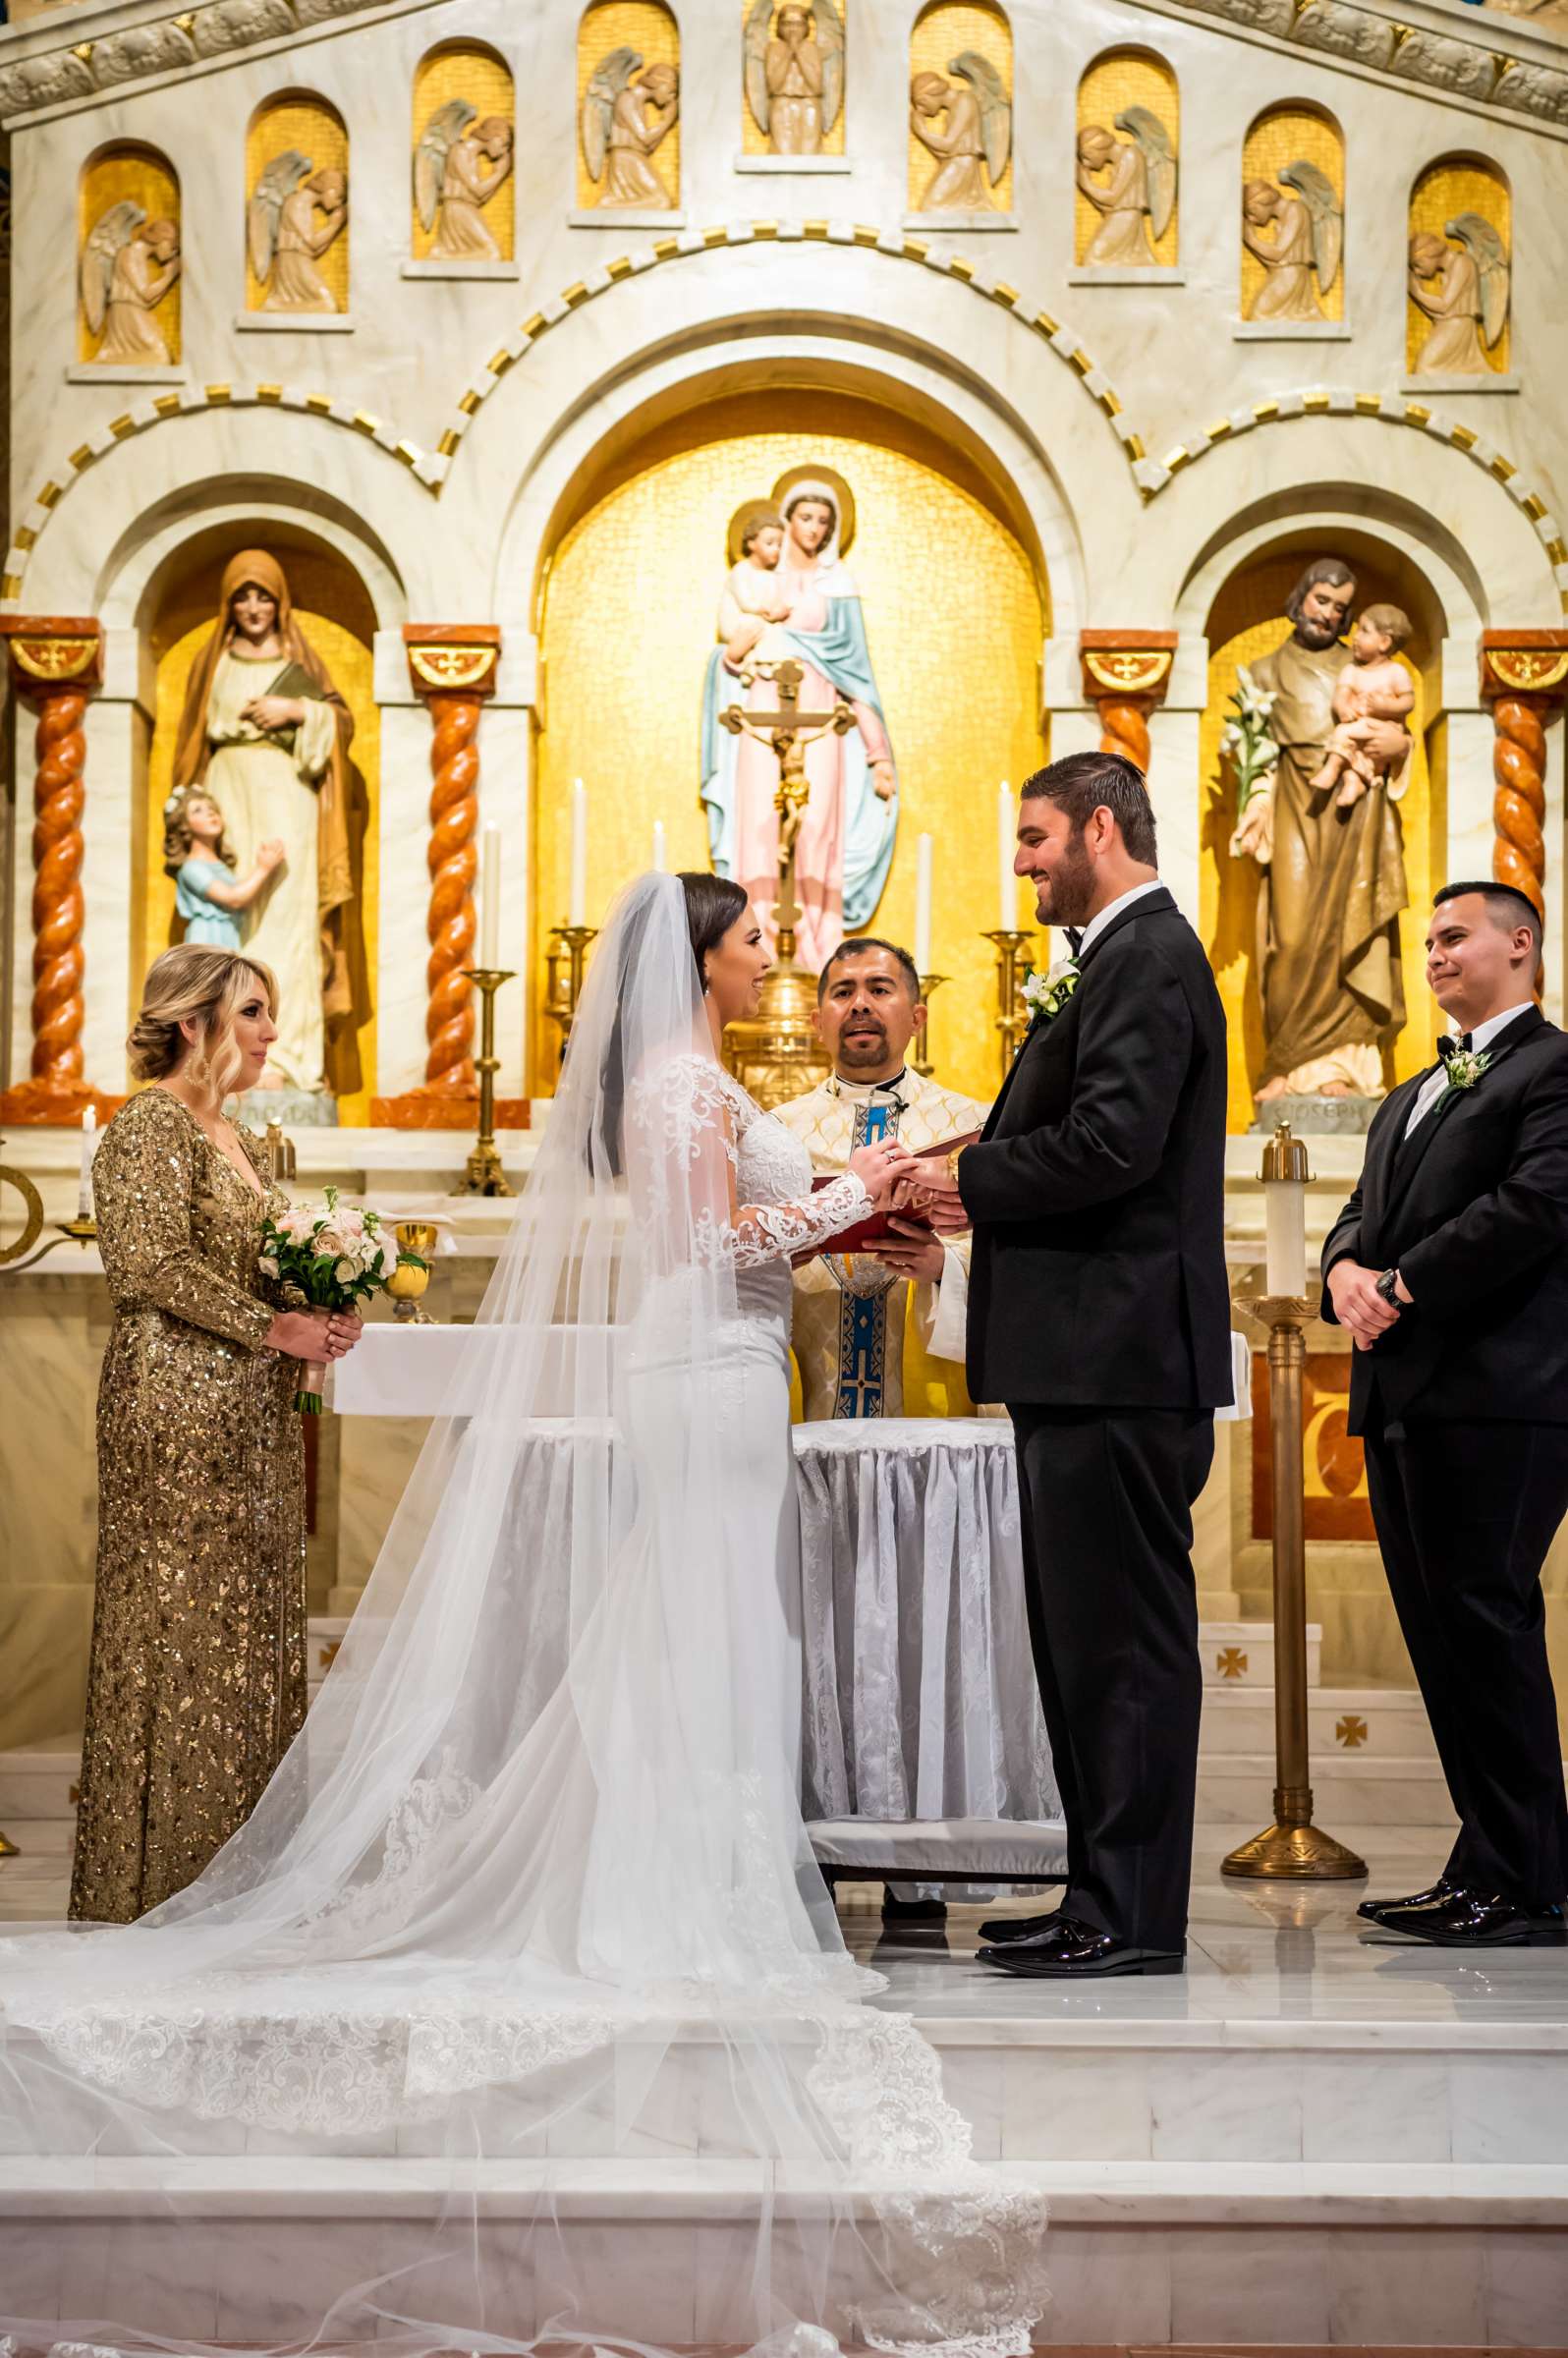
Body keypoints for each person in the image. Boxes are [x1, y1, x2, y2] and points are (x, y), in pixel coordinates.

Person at [0, 877, 1045, 2356]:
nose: (773, 960)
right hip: (708, 1369)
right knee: (696, 1628)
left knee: (708, 1630)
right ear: (699, 955)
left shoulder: (698, 1078)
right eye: (753, 941)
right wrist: (861, 1195)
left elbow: (743, 1236)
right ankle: (672, 1894)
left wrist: (829, 1231)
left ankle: (701, 1871)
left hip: (737, 1369)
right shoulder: (680, 1084)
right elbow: (701, 1248)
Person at [917, 752, 1231, 1978]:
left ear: (1101, 828)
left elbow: (1111, 1144)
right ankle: (1099, 1888)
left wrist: (967, 1183)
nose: (1025, 862)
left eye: (1038, 838)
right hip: (1083, 1357)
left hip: (1119, 1356)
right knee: (1085, 1643)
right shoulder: (1117, 957)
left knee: (1128, 1649)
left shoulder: (1147, 954)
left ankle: (1135, 1915)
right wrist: (966, 1174)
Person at [71, 945, 362, 1924]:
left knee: (253, 1633)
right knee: (179, 1632)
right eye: (252, 1013)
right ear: (191, 1024)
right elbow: (147, 1266)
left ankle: (248, 1890)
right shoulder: (146, 1128)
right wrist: (275, 1326)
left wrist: (321, 1306)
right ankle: (155, 1891)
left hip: (258, 1417)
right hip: (174, 1412)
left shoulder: (256, 1140)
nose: (272, 1032)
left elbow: (265, 1266)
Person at [1322, 881, 1568, 1948]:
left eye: (1453, 936)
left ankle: (1534, 1882)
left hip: (1505, 1395)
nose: (1432, 955)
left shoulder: (1554, 1069)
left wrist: (1401, 1283)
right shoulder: (1413, 1089)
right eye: (1425, 941)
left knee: (1487, 1622)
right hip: (1408, 1397)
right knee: (1444, 1640)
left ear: (1521, 945)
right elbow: (1354, 1214)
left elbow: (1538, 1204)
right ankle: (1489, 1860)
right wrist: (1342, 1273)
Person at [172, 548, 366, 1096]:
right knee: (233, 923)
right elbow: (192, 739)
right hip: (227, 794)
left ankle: (293, 1061)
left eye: (264, 596)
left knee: (288, 921)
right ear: (228, 604)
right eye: (242, 596)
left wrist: (297, 712)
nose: (254, 607)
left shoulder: (297, 659)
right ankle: (226, 1059)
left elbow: (339, 722)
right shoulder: (213, 661)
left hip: (289, 795)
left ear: (280, 603)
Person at [775, 935, 986, 1422]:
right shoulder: (777, 1133)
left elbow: (1021, 1253)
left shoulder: (973, 1127)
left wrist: (943, 1267)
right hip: (807, 1398)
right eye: (843, 992)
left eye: (880, 989)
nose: (860, 1005)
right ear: (817, 1021)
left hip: (931, 1405)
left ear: (918, 1017)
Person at [1231, 556, 1411, 1102]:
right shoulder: (1262, 673)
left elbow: (1397, 728)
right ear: (1302, 596)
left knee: (1351, 934)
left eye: (1340, 607)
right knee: (1290, 938)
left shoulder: (1361, 668)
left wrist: (1400, 747)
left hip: (1357, 814)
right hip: (1295, 804)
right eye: (1321, 600)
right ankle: (1286, 1066)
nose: (1329, 614)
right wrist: (1256, 803)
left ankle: (1342, 1069)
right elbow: (1255, 756)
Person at [1309, 604, 1415, 810]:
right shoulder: (1351, 671)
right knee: (1343, 735)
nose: (1355, 637)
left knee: (1361, 748)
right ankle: (1345, 778)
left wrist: (1386, 705)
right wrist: (1343, 709)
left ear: (1384, 642)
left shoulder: (1396, 672)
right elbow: (1341, 696)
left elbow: (1408, 702)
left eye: (1364, 631)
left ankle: (1345, 776)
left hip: (1384, 730)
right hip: (1359, 726)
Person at [162, 784, 284, 950]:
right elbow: (234, 899)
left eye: (212, 808)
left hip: (227, 938)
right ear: (183, 826)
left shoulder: (220, 866)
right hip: (206, 940)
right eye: (198, 810)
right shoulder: (191, 868)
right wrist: (263, 868)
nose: (210, 813)